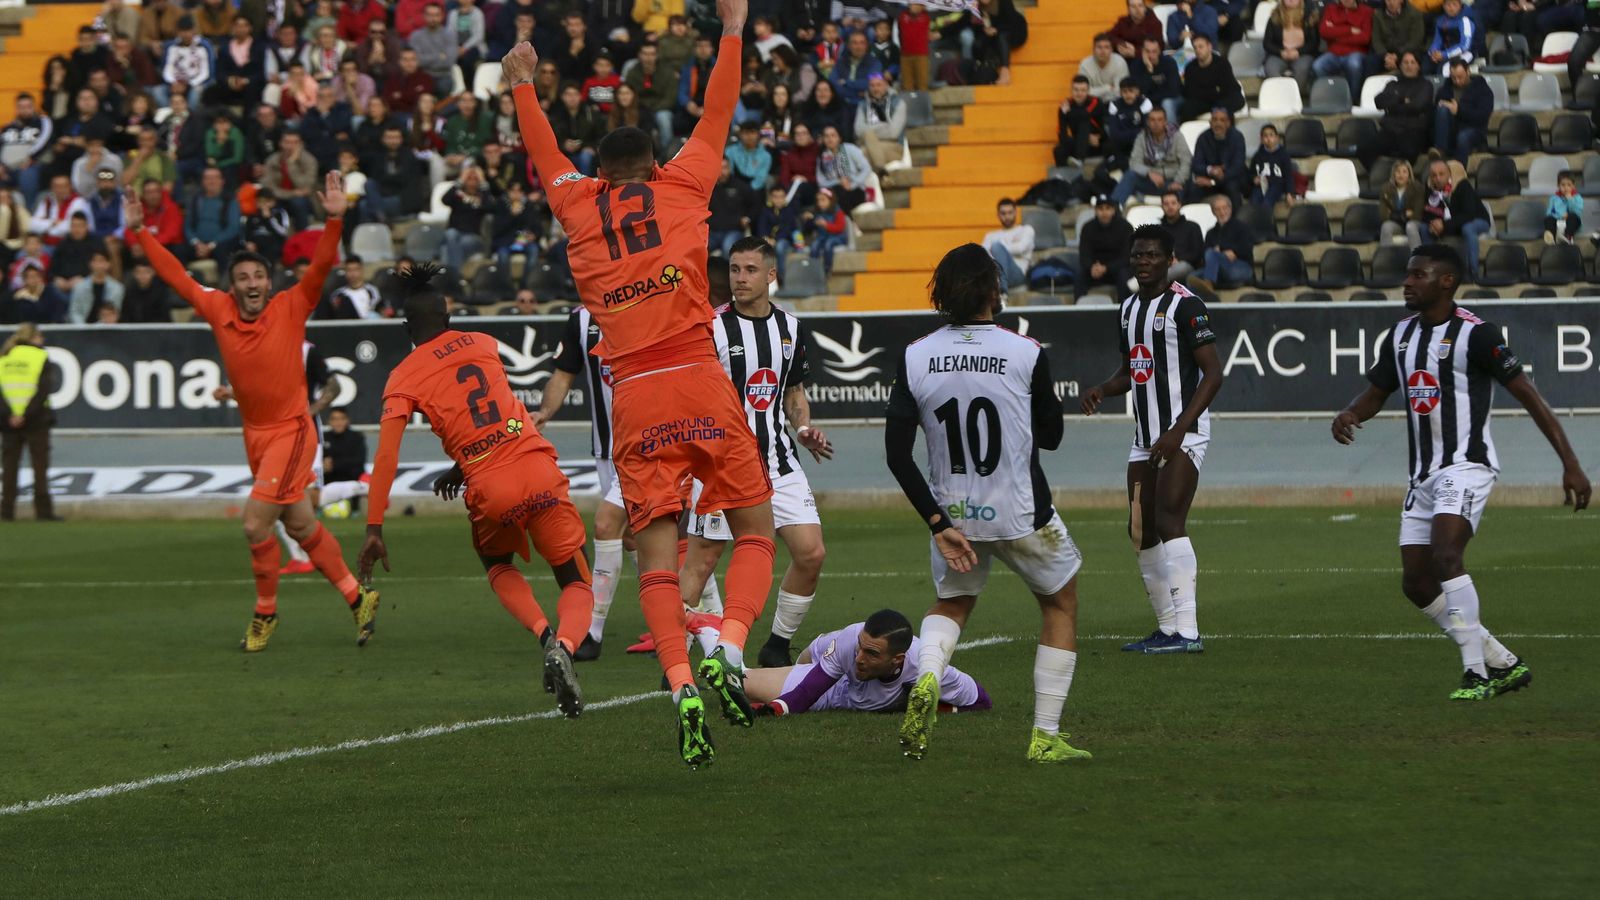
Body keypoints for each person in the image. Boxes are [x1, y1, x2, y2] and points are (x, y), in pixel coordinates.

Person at [505, 0, 779, 767]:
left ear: (599, 176)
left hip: (635, 396)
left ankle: (681, 685)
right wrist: (732, 30)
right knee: (756, 532)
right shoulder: (684, 185)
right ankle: (729, 648)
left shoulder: (575, 202)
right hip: (699, 378)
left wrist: (522, 84)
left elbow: (543, 151)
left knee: (655, 563)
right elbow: (718, 112)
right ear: (656, 166)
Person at [124, 171, 380, 653]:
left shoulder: (290, 306)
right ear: (233, 286)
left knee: (254, 524)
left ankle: (265, 613)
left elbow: (320, 267)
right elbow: (176, 275)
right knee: (300, 525)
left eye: (258, 276)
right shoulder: (217, 309)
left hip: (292, 431)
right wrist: (140, 232)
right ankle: (356, 595)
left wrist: (333, 221)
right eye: (242, 278)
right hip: (256, 435)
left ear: (269, 280)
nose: (252, 283)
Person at [1331, 243, 1591, 701]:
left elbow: (1529, 394)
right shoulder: (1401, 336)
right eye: (1408, 274)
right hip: (1422, 475)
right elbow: (1377, 391)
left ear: (1446, 281)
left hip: (1467, 465)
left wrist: (1570, 463)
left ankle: (1476, 675)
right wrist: (1351, 412)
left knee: (1446, 555)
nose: (1407, 282)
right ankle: (1502, 662)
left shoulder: (1478, 335)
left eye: (1418, 274)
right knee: (1416, 582)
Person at [884, 242, 1090, 764]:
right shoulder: (1026, 351)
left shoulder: (915, 355)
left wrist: (937, 523)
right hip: (1021, 513)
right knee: (1060, 603)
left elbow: (896, 455)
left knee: (952, 604)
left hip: (953, 518)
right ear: (994, 290)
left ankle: (928, 676)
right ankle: (1045, 736)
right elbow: (1052, 437)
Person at [356, 264, 591, 718]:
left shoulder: (402, 377)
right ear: (449, 318)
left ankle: (545, 636)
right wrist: (460, 466)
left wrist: (374, 526)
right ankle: (566, 645)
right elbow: (501, 415)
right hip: (537, 466)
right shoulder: (483, 344)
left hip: (490, 485)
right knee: (577, 580)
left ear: (406, 328)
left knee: (497, 563)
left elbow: (386, 457)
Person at [679, 238, 832, 669]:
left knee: (811, 553)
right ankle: (676, 660)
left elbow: (794, 392)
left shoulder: (791, 328)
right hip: (722, 466)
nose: (740, 278)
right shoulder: (710, 327)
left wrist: (803, 428)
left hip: (779, 460)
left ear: (771, 276)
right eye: (734, 269)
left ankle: (777, 645)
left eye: (750, 270)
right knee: (701, 563)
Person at [1082, 224, 1223, 654]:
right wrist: (1103, 389)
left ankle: (1189, 633)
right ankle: (1165, 629)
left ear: (1169, 259)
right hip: (1145, 436)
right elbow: (1133, 370)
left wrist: (1178, 429)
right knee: (1140, 530)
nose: (1143, 262)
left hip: (1183, 433)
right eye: (1137, 255)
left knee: (1168, 520)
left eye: (1152, 255)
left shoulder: (1187, 306)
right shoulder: (1127, 308)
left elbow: (1213, 374)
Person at [535, 305, 627, 661]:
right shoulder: (582, 318)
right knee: (635, 536)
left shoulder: (648, 300)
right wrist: (545, 412)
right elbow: (563, 374)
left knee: (609, 526)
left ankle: (592, 630)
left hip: (647, 446)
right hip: (606, 450)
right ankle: (686, 620)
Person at [743, 610, 991, 716]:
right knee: (741, 683)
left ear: (897, 659)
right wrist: (772, 710)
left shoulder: (926, 667)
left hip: (841, 692)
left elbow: (981, 701)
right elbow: (806, 693)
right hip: (830, 661)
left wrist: (934, 709)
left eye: (871, 653)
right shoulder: (851, 642)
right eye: (861, 647)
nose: (859, 658)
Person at [1, 323, 61, 521]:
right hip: (37, 420)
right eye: (40, 336)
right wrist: (26, 414)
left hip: (8, 421)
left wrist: (11, 414)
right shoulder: (40, 356)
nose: (42, 340)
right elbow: (43, 390)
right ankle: (43, 512)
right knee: (40, 467)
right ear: (33, 337)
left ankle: (6, 511)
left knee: (9, 468)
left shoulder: (4, 357)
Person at [1357, 51, 1432, 172]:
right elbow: (1379, 101)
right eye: (1405, 62)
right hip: (1390, 130)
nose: (1409, 66)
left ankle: (1401, 178)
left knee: (1409, 152)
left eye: (1412, 62)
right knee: (1363, 150)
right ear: (1400, 65)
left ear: (1418, 66)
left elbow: (1417, 106)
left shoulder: (1426, 85)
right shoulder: (1392, 84)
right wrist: (1402, 99)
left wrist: (1393, 104)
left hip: (1413, 131)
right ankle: (1379, 175)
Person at [1419, 159, 1489, 282]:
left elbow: (1468, 215)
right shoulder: (1430, 189)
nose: (1437, 178)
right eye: (1434, 175)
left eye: (1441, 174)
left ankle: (1473, 273)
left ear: (1449, 174)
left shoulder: (1463, 186)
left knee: (1467, 228)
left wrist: (1444, 225)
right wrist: (1433, 224)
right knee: (1424, 228)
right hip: (1451, 223)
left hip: (1477, 219)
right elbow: (1426, 213)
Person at [1111, 107, 1190, 206]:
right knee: (1130, 175)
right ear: (1148, 122)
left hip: (1173, 181)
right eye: (1152, 120)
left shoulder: (1177, 136)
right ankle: (1113, 208)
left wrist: (1178, 181)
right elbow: (1134, 163)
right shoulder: (1142, 137)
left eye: (1160, 120)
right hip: (1152, 181)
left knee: (1187, 183)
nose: (1156, 123)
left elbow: (1186, 162)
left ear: (1165, 122)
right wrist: (1149, 172)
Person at [1190, 193, 1255, 293]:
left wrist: (1224, 250)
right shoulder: (1210, 233)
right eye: (1218, 209)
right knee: (1192, 277)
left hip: (1242, 267)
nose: (1222, 212)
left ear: (1230, 209)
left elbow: (1247, 249)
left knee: (1211, 253)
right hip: (1218, 270)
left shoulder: (1242, 227)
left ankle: (1208, 283)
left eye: (1225, 208)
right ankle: (1205, 293)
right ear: (1213, 212)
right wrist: (1222, 253)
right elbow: (1205, 255)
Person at [1431, 59, 1492, 163]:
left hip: (1474, 129)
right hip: (1451, 129)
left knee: (1463, 137)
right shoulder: (1445, 89)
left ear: (1468, 72)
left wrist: (1459, 111)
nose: (1457, 81)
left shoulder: (1482, 89)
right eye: (1454, 78)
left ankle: (1459, 169)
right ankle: (1440, 152)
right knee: (1442, 110)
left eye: (1460, 77)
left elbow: (1482, 116)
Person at [1075, 194, 1133, 300]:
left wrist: (1107, 268)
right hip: (1095, 271)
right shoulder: (1087, 228)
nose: (1104, 212)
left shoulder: (1126, 227)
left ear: (1113, 210)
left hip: (1116, 269)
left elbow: (1127, 257)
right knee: (1080, 274)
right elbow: (1084, 255)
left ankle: (1125, 308)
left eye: (1108, 208)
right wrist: (1092, 267)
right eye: (1100, 209)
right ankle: (1078, 308)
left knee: (1124, 275)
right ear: (1095, 211)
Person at [1186, 106, 1247, 205]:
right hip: (1208, 177)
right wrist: (1210, 170)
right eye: (1215, 120)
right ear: (1210, 122)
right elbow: (1196, 165)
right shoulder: (1203, 138)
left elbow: (1238, 166)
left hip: (1229, 178)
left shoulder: (1237, 137)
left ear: (1228, 123)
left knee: (1232, 187)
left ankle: (1237, 215)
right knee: (1193, 188)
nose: (1218, 123)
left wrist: (1214, 181)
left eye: (1222, 120)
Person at [1178, 34, 1244, 123]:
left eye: (1201, 47)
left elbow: (1228, 88)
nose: (1197, 50)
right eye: (1195, 48)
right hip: (1203, 102)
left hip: (1222, 100)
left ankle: (1228, 128)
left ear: (1209, 47)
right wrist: (1213, 91)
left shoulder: (1222, 63)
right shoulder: (1190, 68)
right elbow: (1191, 93)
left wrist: (1210, 92)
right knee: (1186, 108)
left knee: (1235, 100)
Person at [1315, 0, 1373, 96]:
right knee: (1318, 66)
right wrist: (1350, 30)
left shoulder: (1367, 11)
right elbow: (1324, 31)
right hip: (1334, 52)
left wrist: (1335, 34)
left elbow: (1365, 38)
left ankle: (1352, 98)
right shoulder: (1331, 9)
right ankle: (1331, 95)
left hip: (1356, 52)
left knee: (1353, 65)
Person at [852, 74, 905, 173]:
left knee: (862, 152)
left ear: (886, 86)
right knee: (868, 138)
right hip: (870, 146)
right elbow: (858, 130)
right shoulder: (862, 105)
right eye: (872, 85)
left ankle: (878, 171)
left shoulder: (898, 103)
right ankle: (881, 172)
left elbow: (893, 133)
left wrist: (869, 132)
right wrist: (884, 126)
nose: (875, 89)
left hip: (894, 147)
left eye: (878, 85)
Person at [1263, 0, 1318, 93]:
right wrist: (1281, 52)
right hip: (1279, 54)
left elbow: (1314, 43)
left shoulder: (1310, 17)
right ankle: (1278, 96)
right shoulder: (1274, 16)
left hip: (1303, 54)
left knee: (1302, 69)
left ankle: (1293, 97)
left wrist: (1298, 52)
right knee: (1271, 68)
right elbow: (1267, 43)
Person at [983, 197, 1035, 291]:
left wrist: (996, 249)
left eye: (1010, 212)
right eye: (1003, 213)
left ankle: (1002, 291)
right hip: (994, 273)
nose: (1007, 216)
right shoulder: (990, 235)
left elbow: (1020, 248)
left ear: (1015, 212)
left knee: (996, 247)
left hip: (1018, 274)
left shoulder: (1026, 230)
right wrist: (1010, 246)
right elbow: (983, 255)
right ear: (998, 215)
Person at [1131, 37, 1183, 126]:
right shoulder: (1136, 66)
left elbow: (1173, 91)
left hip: (1173, 99)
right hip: (1150, 100)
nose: (1151, 55)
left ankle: (1171, 131)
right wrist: (1149, 70)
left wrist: (1152, 98)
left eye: (1154, 51)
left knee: (1166, 103)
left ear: (1159, 51)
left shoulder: (1169, 63)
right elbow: (1140, 92)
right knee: (1142, 104)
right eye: (1147, 51)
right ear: (1143, 51)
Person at [1054, 75, 1104, 166]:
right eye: (1076, 90)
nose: (1079, 93)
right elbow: (1062, 133)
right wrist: (1064, 115)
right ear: (1071, 90)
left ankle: (1079, 159)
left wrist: (1069, 113)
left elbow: (1085, 114)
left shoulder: (1095, 102)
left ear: (1088, 91)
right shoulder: (1065, 105)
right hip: (1078, 142)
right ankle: (1068, 172)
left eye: (1083, 90)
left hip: (1097, 142)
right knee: (1058, 150)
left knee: (1084, 123)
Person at [1103, 77, 1151, 169]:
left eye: (1131, 91)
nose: (1128, 95)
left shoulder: (1144, 103)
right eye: (1124, 91)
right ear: (1120, 93)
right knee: (1108, 146)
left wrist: (1126, 134)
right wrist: (1137, 131)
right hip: (1122, 143)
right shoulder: (1115, 105)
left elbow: (1147, 130)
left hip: (1139, 142)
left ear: (1137, 91)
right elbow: (1114, 133)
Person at [1371, 0, 1426, 77]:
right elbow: (1376, 40)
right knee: (1370, 62)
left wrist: (1397, 56)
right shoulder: (1378, 14)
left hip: (1407, 51)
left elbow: (1415, 40)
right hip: (1385, 53)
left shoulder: (1414, 14)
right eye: (1388, 0)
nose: (1391, 3)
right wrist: (1385, 56)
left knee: (1410, 60)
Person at [1158, 191, 1204, 283]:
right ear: (1162, 207)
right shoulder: (1158, 230)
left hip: (1187, 267)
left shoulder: (1192, 226)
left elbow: (1197, 253)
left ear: (1179, 205)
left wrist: (1178, 259)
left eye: (1173, 203)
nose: (1170, 207)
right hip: (1163, 266)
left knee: (1181, 267)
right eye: (1166, 204)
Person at [1380, 158, 1427, 247]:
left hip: (1414, 223)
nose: (1401, 175)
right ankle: (1387, 254)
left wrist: (1392, 214)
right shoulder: (1386, 189)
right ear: (1393, 174)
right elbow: (1383, 215)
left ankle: (1416, 255)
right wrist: (1405, 214)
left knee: (1410, 226)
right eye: (1398, 171)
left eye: (1404, 172)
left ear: (1409, 174)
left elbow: (1417, 214)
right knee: (1386, 226)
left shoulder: (1417, 188)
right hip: (1397, 224)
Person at [1250, 124, 1296, 208]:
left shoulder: (1283, 155)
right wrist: (1254, 179)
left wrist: (1289, 193)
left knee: (1267, 202)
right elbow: (1251, 172)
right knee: (1254, 201)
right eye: (1265, 136)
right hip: (1261, 185)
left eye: (1271, 135)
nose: (1268, 139)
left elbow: (1288, 175)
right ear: (1261, 139)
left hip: (1277, 185)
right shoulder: (1258, 156)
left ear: (1277, 138)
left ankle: (1266, 216)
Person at [1428, 0, 1477, 71]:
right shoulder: (1440, 21)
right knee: (1427, 66)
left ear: (1460, 5)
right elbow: (1437, 41)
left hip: (1465, 53)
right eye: (1448, 5)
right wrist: (1433, 52)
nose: (1451, 7)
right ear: (1443, 6)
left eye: (1454, 4)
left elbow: (1465, 46)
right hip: (1444, 52)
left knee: (1445, 68)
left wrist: (1444, 54)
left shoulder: (1465, 20)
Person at [1077, 34, 1129, 102]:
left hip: (1115, 103)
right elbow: (1082, 92)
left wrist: (1095, 91)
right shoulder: (1085, 64)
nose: (1103, 51)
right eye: (1099, 47)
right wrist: (1107, 88)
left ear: (1111, 50)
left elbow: (1121, 92)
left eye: (1106, 47)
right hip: (1091, 103)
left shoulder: (1120, 62)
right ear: (1093, 50)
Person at [897, 3, 932, 92]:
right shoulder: (901, 14)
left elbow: (946, 10)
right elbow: (884, 6)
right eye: (912, 3)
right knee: (907, 86)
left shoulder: (927, 15)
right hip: (905, 56)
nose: (914, 6)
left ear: (923, 6)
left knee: (922, 85)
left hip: (921, 56)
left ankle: (923, 101)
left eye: (917, 4)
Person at [1545, 170, 1583, 245]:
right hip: (1558, 222)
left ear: (1573, 186)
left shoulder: (1577, 198)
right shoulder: (1554, 198)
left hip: (1570, 222)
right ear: (1558, 185)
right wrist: (1560, 216)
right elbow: (1549, 212)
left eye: (1569, 185)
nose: (1566, 188)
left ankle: (1567, 236)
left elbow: (1577, 212)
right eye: (1563, 185)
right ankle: (1551, 236)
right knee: (1548, 219)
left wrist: (1570, 200)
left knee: (1573, 217)